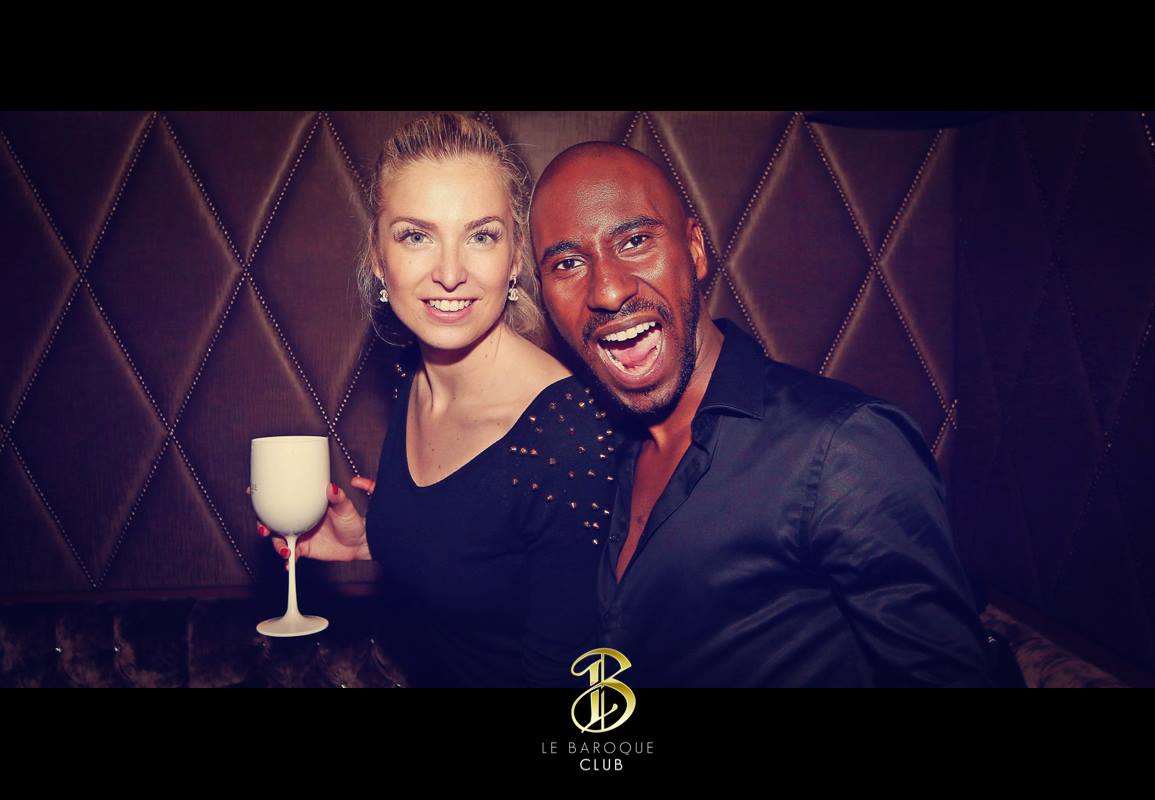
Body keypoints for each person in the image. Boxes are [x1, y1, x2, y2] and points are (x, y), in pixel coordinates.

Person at [528, 141, 996, 687]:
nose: (608, 290)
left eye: (635, 241)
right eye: (567, 263)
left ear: (695, 249)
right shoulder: (595, 451)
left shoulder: (842, 447)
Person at [253, 114, 618, 687]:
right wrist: (376, 539)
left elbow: (580, 692)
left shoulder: (567, 441)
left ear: (515, 256)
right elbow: (480, 554)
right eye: (416, 236)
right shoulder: (417, 378)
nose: (450, 274)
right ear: (378, 256)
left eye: (481, 235)